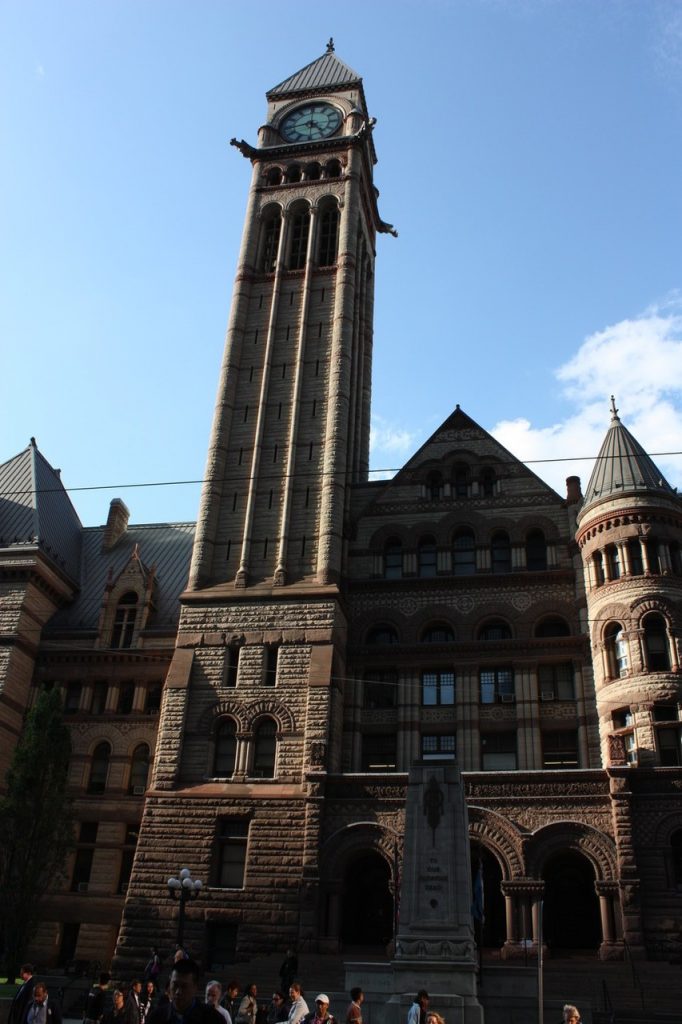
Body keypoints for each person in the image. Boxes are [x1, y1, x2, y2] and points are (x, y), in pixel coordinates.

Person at [147, 960, 223, 1024]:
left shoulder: (214, 1019)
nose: (178, 992)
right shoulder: (156, 1018)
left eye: (184, 986)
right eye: (175, 985)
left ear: (195, 987)